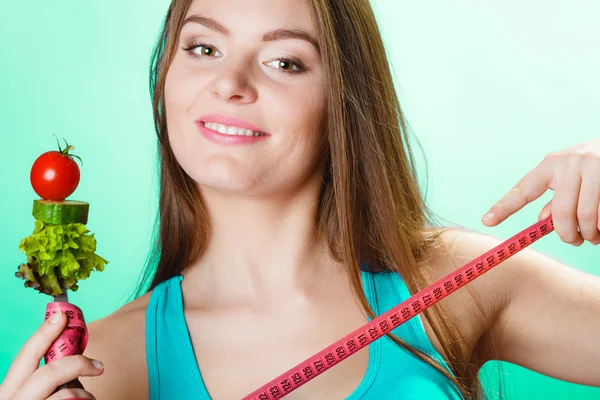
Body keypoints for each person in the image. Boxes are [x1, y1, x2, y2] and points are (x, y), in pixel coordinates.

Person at [1, 0, 599, 398]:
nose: (229, 84)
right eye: (203, 48)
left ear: (344, 98)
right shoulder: (98, 368)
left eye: (284, 61)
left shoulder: (459, 282)